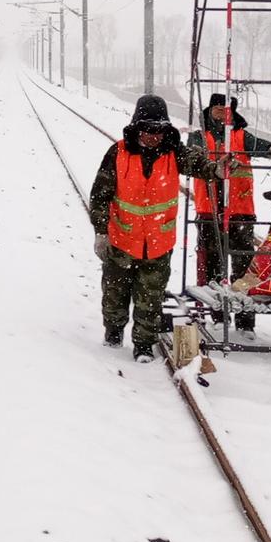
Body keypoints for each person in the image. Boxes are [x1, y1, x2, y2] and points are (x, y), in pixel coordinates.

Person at [87, 93, 225, 363]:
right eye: (148, 130)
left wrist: (215, 170)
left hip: (158, 244)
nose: (154, 136)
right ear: (137, 126)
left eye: (159, 130)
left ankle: (143, 346)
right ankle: (113, 335)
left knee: (149, 300)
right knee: (115, 295)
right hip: (121, 241)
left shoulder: (174, 153)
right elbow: (100, 195)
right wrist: (101, 232)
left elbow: (197, 164)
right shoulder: (118, 153)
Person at [192, 94, 271, 289]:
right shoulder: (199, 136)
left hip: (240, 210)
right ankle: (216, 312)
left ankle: (244, 313)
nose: (220, 111)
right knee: (211, 266)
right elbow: (191, 156)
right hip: (208, 210)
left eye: (225, 108)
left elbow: (260, 146)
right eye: (216, 107)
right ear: (209, 110)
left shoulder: (241, 136)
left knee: (243, 268)